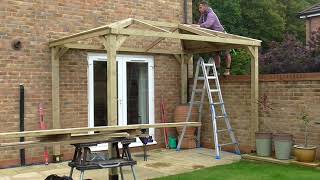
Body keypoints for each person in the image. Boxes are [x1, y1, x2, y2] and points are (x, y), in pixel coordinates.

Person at [197, 1, 232, 76]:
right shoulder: (203, 16)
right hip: (215, 36)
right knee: (216, 53)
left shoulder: (211, 14)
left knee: (226, 52)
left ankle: (227, 70)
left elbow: (208, 24)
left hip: (222, 34)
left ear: (205, 7)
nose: (199, 9)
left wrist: (198, 26)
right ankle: (217, 70)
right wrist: (195, 26)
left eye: (200, 7)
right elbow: (199, 24)